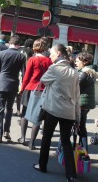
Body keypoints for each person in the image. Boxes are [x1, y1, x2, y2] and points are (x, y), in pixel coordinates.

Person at [33, 44, 81, 182]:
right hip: (69, 111)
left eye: (52, 54)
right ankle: (71, 175)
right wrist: (77, 118)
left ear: (59, 53)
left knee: (46, 138)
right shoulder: (74, 72)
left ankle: (42, 165)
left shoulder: (55, 68)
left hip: (53, 109)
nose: (50, 56)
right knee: (66, 142)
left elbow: (43, 80)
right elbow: (77, 96)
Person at [0, 35, 26, 143]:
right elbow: (24, 74)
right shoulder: (21, 56)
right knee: (9, 109)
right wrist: (22, 87)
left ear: (10, 43)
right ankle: (7, 132)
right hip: (13, 85)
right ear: (18, 45)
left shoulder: (2, 54)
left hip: (2, 84)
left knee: (0, 109)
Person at [18, 38, 52, 150]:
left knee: (25, 113)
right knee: (38, 116)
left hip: (30, 88)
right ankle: (32, 143)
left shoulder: (32, 59)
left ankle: (22, 138)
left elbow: (26, 77)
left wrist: (22, 89)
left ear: (35, 47)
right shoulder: (49, 61)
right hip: (43, 90)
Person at [75, 51, 96, 151]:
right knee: (81, 127)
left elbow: (73, 86)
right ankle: (84, 150)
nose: (76, 62)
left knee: (77, 127)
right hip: (86, 104)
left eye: (77, 60)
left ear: (85, 62)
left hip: (81, 104)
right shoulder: (89, 72)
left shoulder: (83, 74)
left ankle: (79, 150)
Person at [14, 38, 34, 116]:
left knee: (18, 93)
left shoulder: (20, 50)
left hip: (19, 73)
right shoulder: (32, 52)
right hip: (27, 73)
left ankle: (18, 110)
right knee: (26, 93)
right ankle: (24, 110)